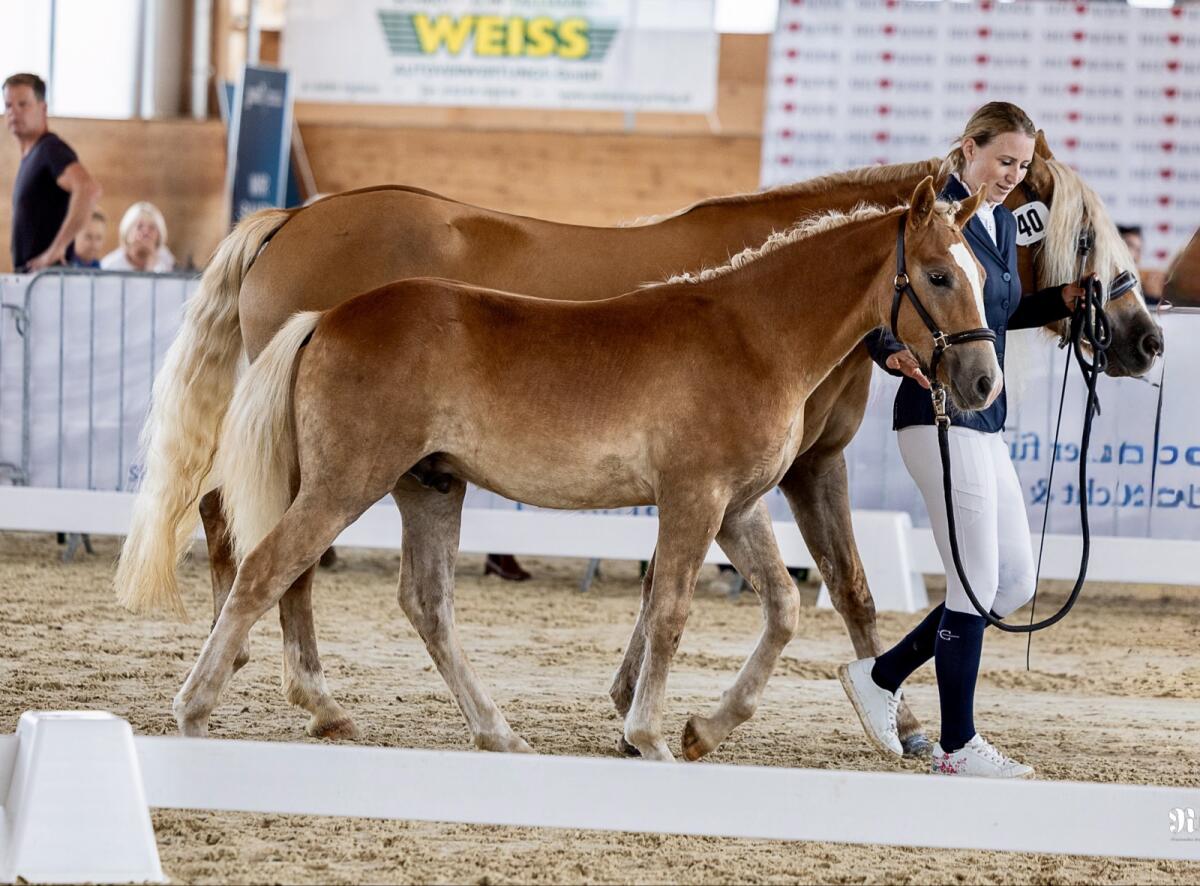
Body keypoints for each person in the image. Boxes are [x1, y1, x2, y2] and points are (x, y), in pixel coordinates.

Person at [839, 102, 1088, 778]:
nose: (1014, 174)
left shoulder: (1001, 223)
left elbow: (995, 314)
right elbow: (867, 300)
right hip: (935, 414)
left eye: (1024, 164)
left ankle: (882, 676)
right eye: (1004, 160)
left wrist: (1062, 299)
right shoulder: (928, 216)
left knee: (1012, 580)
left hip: (985, 419)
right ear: (968, 149)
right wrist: (887, 352)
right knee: (974, 583)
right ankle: (957, 745)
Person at [4, 72, 102, 272]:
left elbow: (88, 189)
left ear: (43, 108)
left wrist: (57, 249)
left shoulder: (50, 149)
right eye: (8, 105)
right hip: (30, 277)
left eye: (23, 104)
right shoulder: (30, 157)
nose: (14, 112)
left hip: (47, 279)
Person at [101, 202, 176, 272]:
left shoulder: (167, 260)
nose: (146, 232)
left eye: (152, 228)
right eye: (139, 227)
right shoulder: (110, 266)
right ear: (127, 232)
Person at [1118, 224, 1165, 306]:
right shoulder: (1099, 278)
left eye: (1138, 249)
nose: (1136, 255)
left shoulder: (1142, 285)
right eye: (1130, 245)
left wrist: (1152, 297)